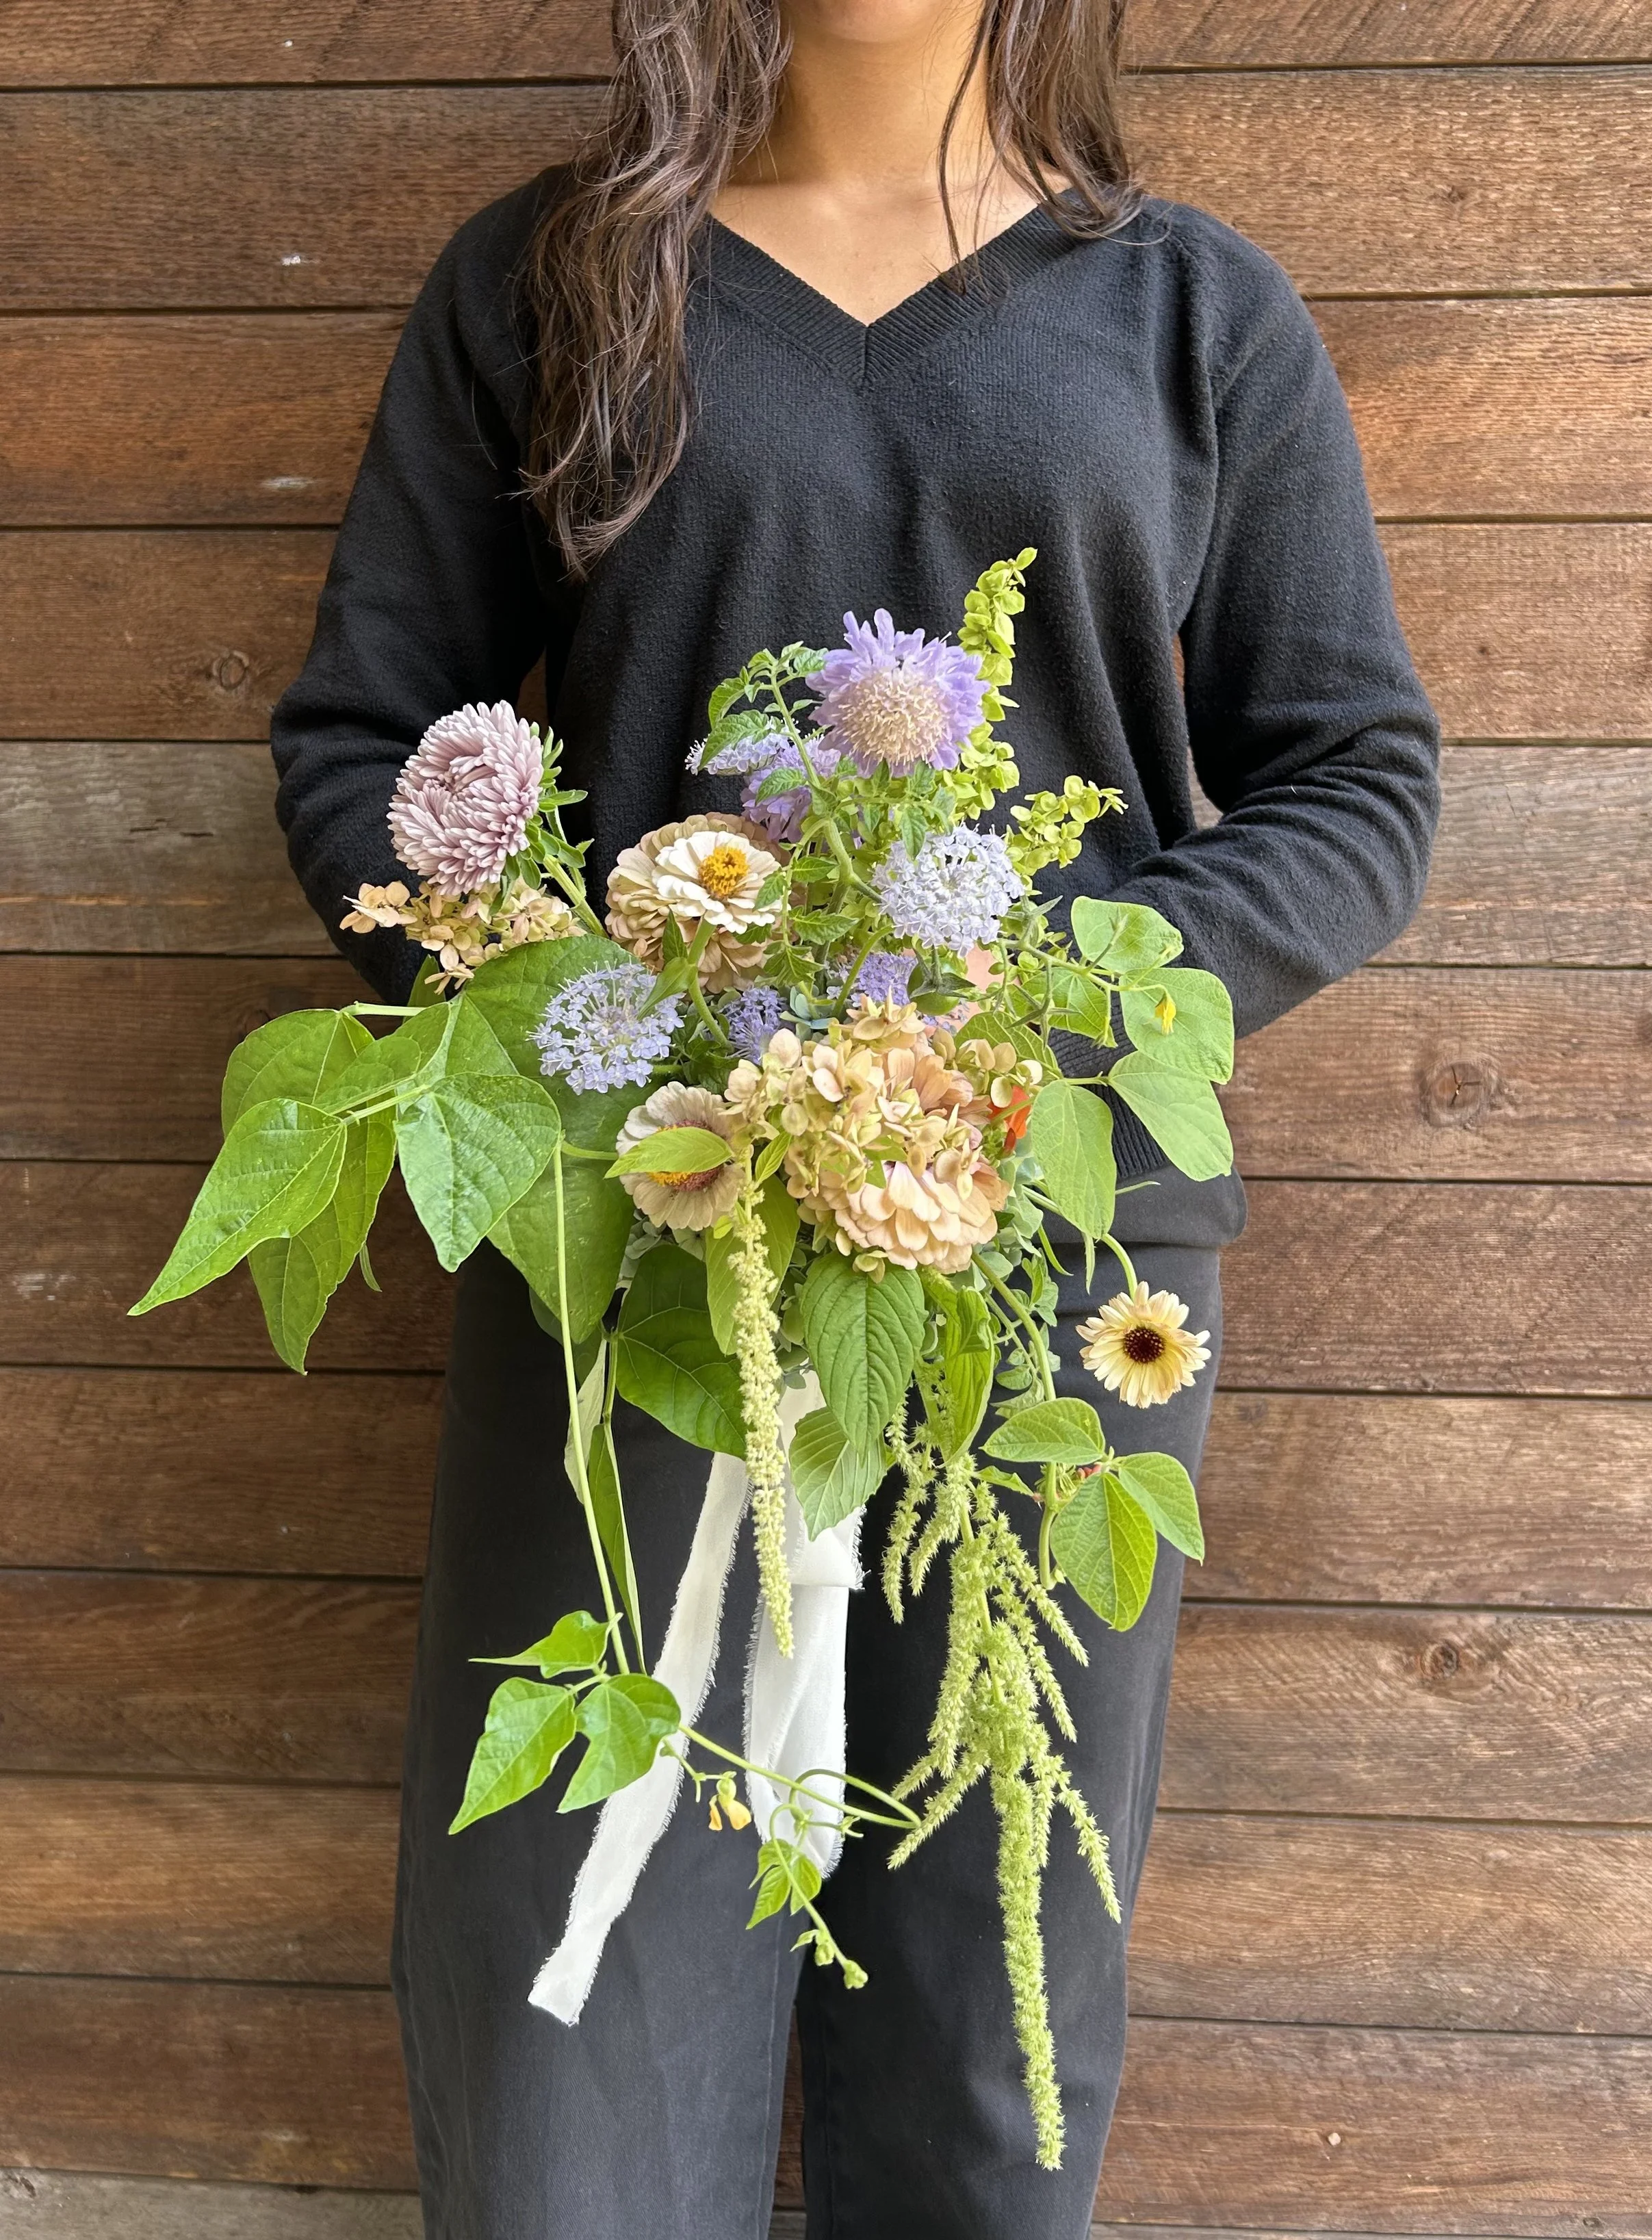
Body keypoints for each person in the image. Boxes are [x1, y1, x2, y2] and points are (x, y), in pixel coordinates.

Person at [272, 1, 1440, 2233]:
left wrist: (1044, 1035)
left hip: (1052, 1265)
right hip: (635, 1234)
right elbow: (364, 739)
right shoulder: (551, 286)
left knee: (990, 2006)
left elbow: (1353, 772)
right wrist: (578, 1031)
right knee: (573, 1987)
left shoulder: (1191, 308)